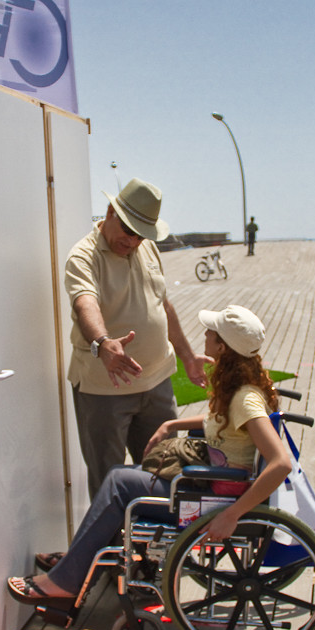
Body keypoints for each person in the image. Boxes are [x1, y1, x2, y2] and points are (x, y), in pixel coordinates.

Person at [7, 304, 293, 606]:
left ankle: (65, 579)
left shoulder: (245, 400)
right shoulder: (245, 386)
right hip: (210, 483)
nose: (205, 335)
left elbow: (281, 463)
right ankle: (77, 559)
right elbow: (221, 422)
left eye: (211, 333)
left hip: (215, 498)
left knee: (118, 482)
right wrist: (171, 423)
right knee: (122, 475)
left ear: (222, 347)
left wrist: (231, 515)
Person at [64, 177, 211, 499]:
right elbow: (83, 301)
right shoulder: (83, 256)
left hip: (157, 382)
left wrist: (187, 356)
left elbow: (163, 304)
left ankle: (157, 547)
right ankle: (114, 549)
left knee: (167, 472)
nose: (133, 242)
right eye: (129, 232)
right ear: (110, 212)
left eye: (142, 235)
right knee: (108, 481)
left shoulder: (148, 249)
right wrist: (103, 343)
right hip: (105, 390)